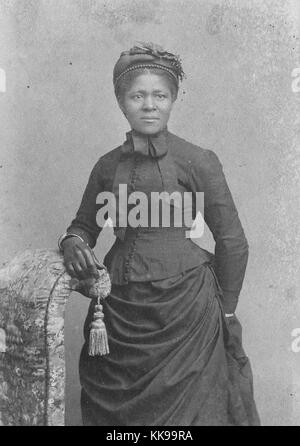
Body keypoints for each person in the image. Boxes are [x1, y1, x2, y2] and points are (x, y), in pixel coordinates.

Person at [58, 42, 260, 426]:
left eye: (160, 95)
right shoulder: (106, 166)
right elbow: (83, 225)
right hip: (119, 310)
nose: (149, 105)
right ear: (121, 102)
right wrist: (72, 242)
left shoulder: (197, 160)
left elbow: (233, 241)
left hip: (188, 315)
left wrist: (227, 308)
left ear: (173, 100)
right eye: (137, 95)